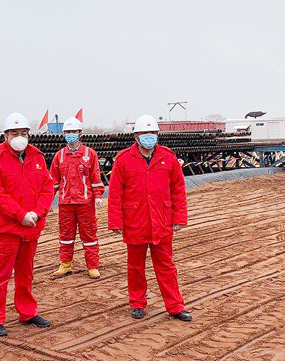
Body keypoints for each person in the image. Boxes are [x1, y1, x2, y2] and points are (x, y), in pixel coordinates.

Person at [107, 114, 192, 322]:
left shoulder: (168, 158)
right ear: (136, 136)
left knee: (166, 266)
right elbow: (115, 193)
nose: (149, 137)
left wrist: (179, 217)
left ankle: (175, 306)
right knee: (135, 267)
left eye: (152, 133)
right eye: (145, 133)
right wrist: (116, 221)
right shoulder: (123, 160)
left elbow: (178, 189)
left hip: (161, 220)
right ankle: (137, 303)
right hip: (134, 221)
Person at [0, 112, 55, 337]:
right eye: (15, 133)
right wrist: (20, 215)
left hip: (31, 225)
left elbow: (47, 188)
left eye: (23, 133)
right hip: (6, 227)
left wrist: (38, 213)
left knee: (26, 272)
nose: (19, 137)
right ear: (6, 135)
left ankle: (27, 312)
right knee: (0, 274)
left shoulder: (37, 157)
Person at [50, 116, 104, 279]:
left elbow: (95, 177)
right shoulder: (59, 156)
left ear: (80, 133)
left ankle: (92, 266)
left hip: (85, 203)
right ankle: (65, 265)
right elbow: (53, 181)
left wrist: (98, 196)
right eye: (67, 132)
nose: (70, 135)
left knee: (89, 235)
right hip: (66, 203)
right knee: (65, 235)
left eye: (73, 131)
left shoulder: (90, 154)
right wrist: (47, 200)